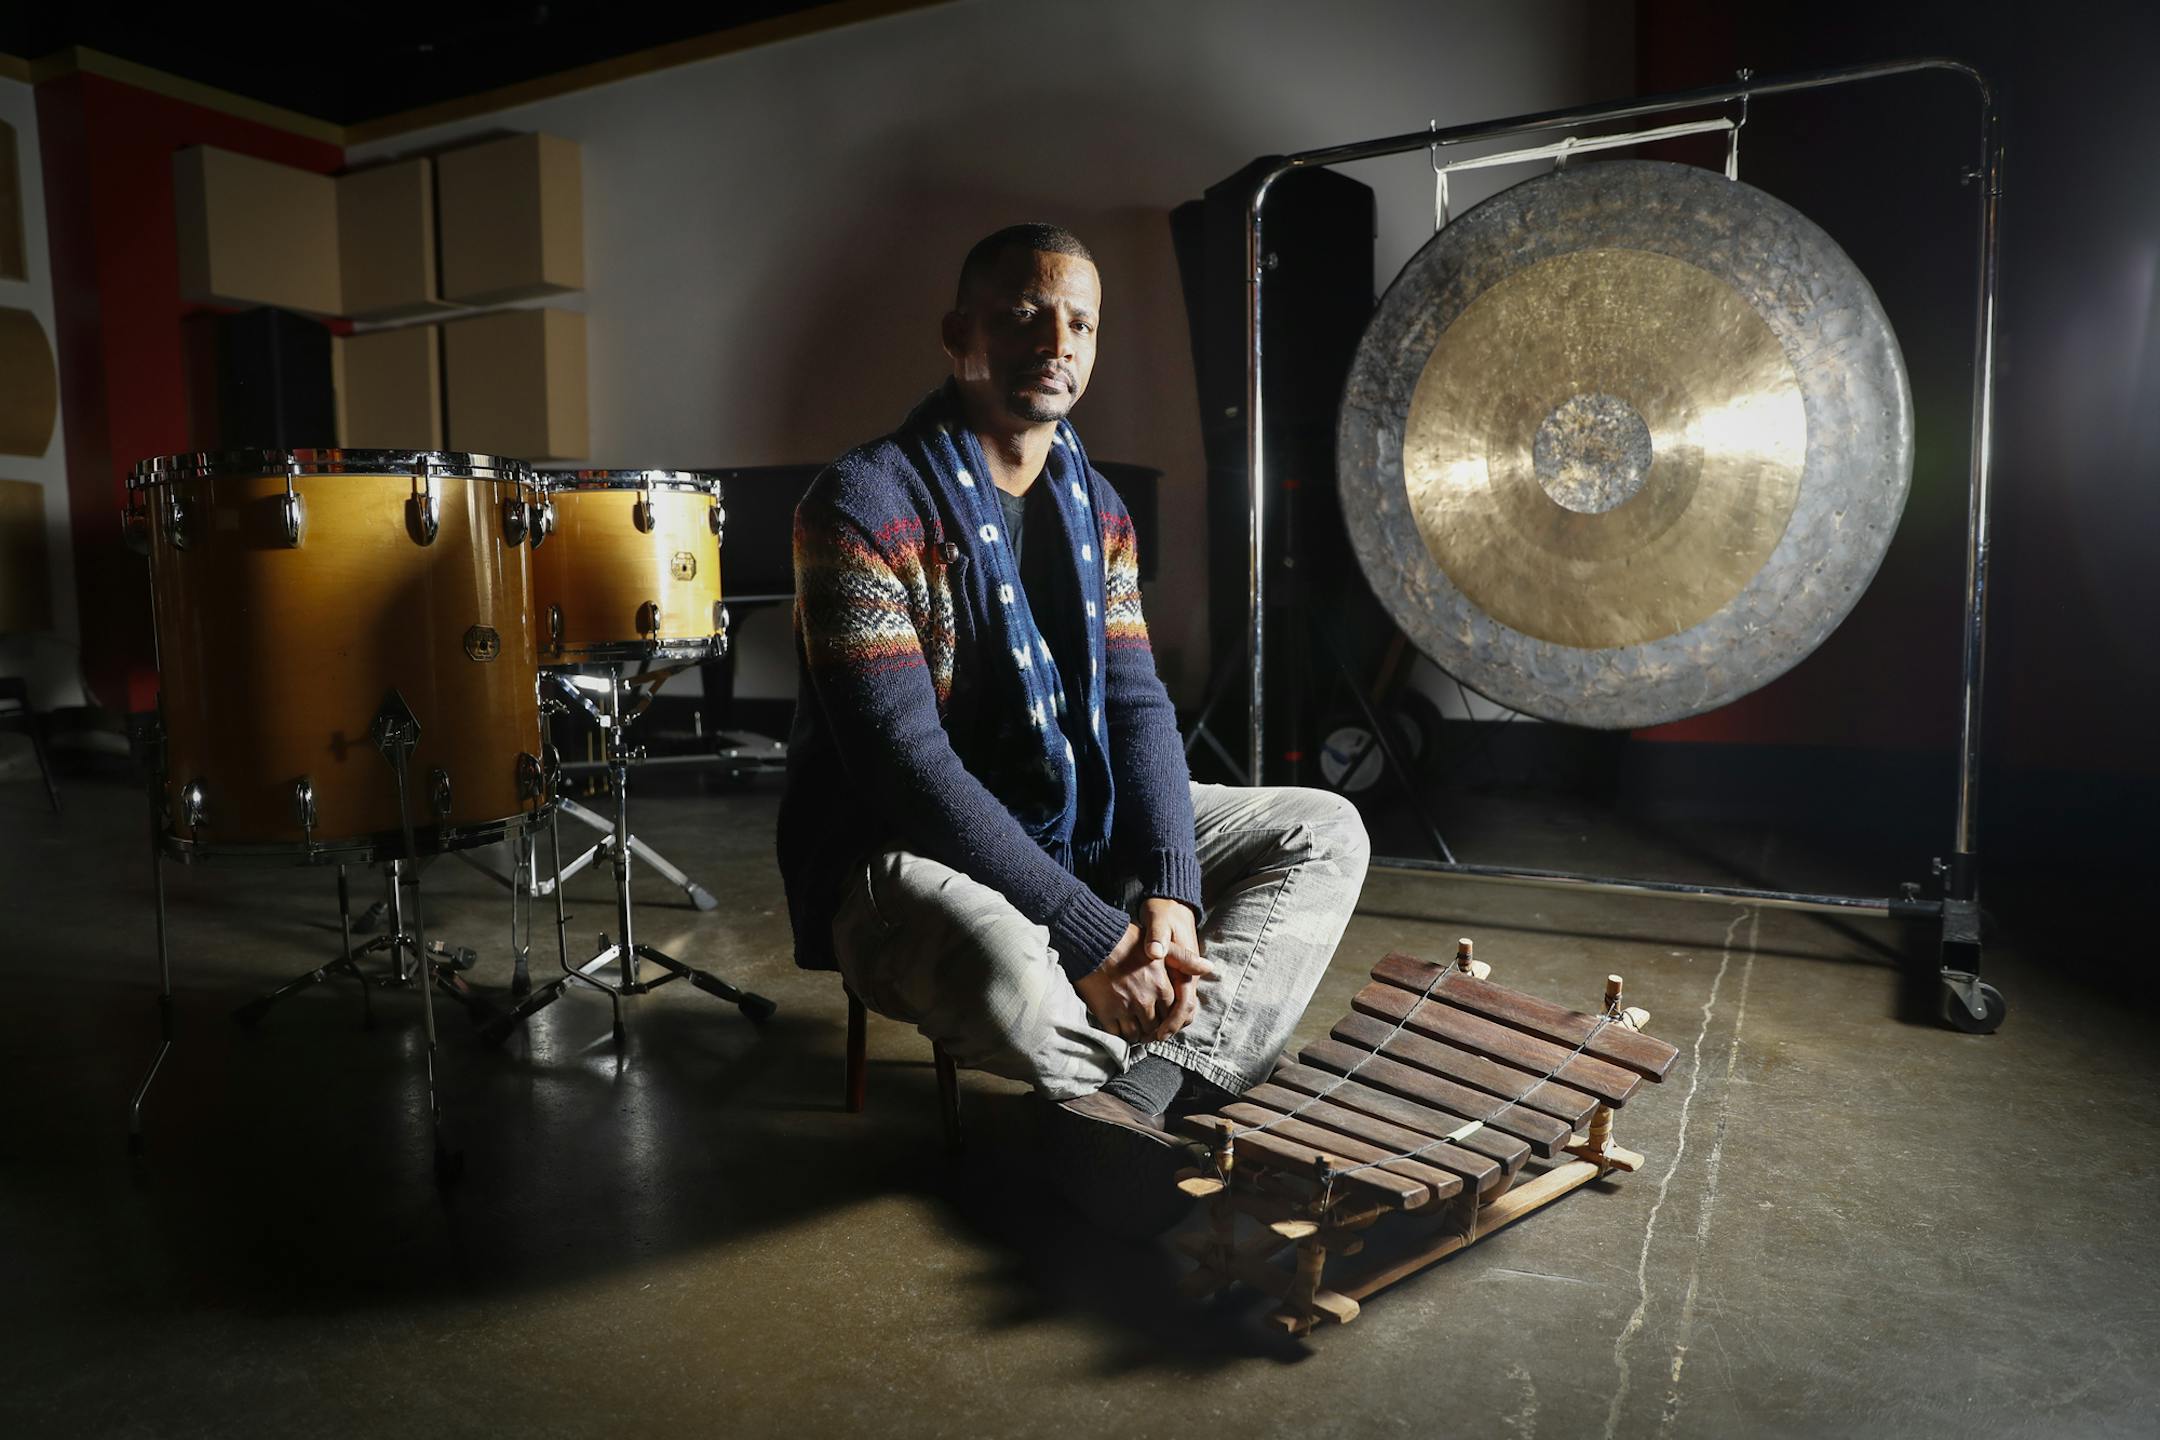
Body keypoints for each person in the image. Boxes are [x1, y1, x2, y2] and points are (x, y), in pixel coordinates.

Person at [778, 222, 1369, 1222]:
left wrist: (1172, 896)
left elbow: (1137, 707)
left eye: (1080, 323)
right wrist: (1094, 938)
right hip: (897, 854)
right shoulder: (861, 506)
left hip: (1068, 826)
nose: (1058, 340)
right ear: (960, 333)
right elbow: (905, 767)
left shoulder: (1099, 510)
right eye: (1023, 315)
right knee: (1013, 979)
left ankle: (1142, 1094)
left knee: (1324, 828)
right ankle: (1171, 1066)